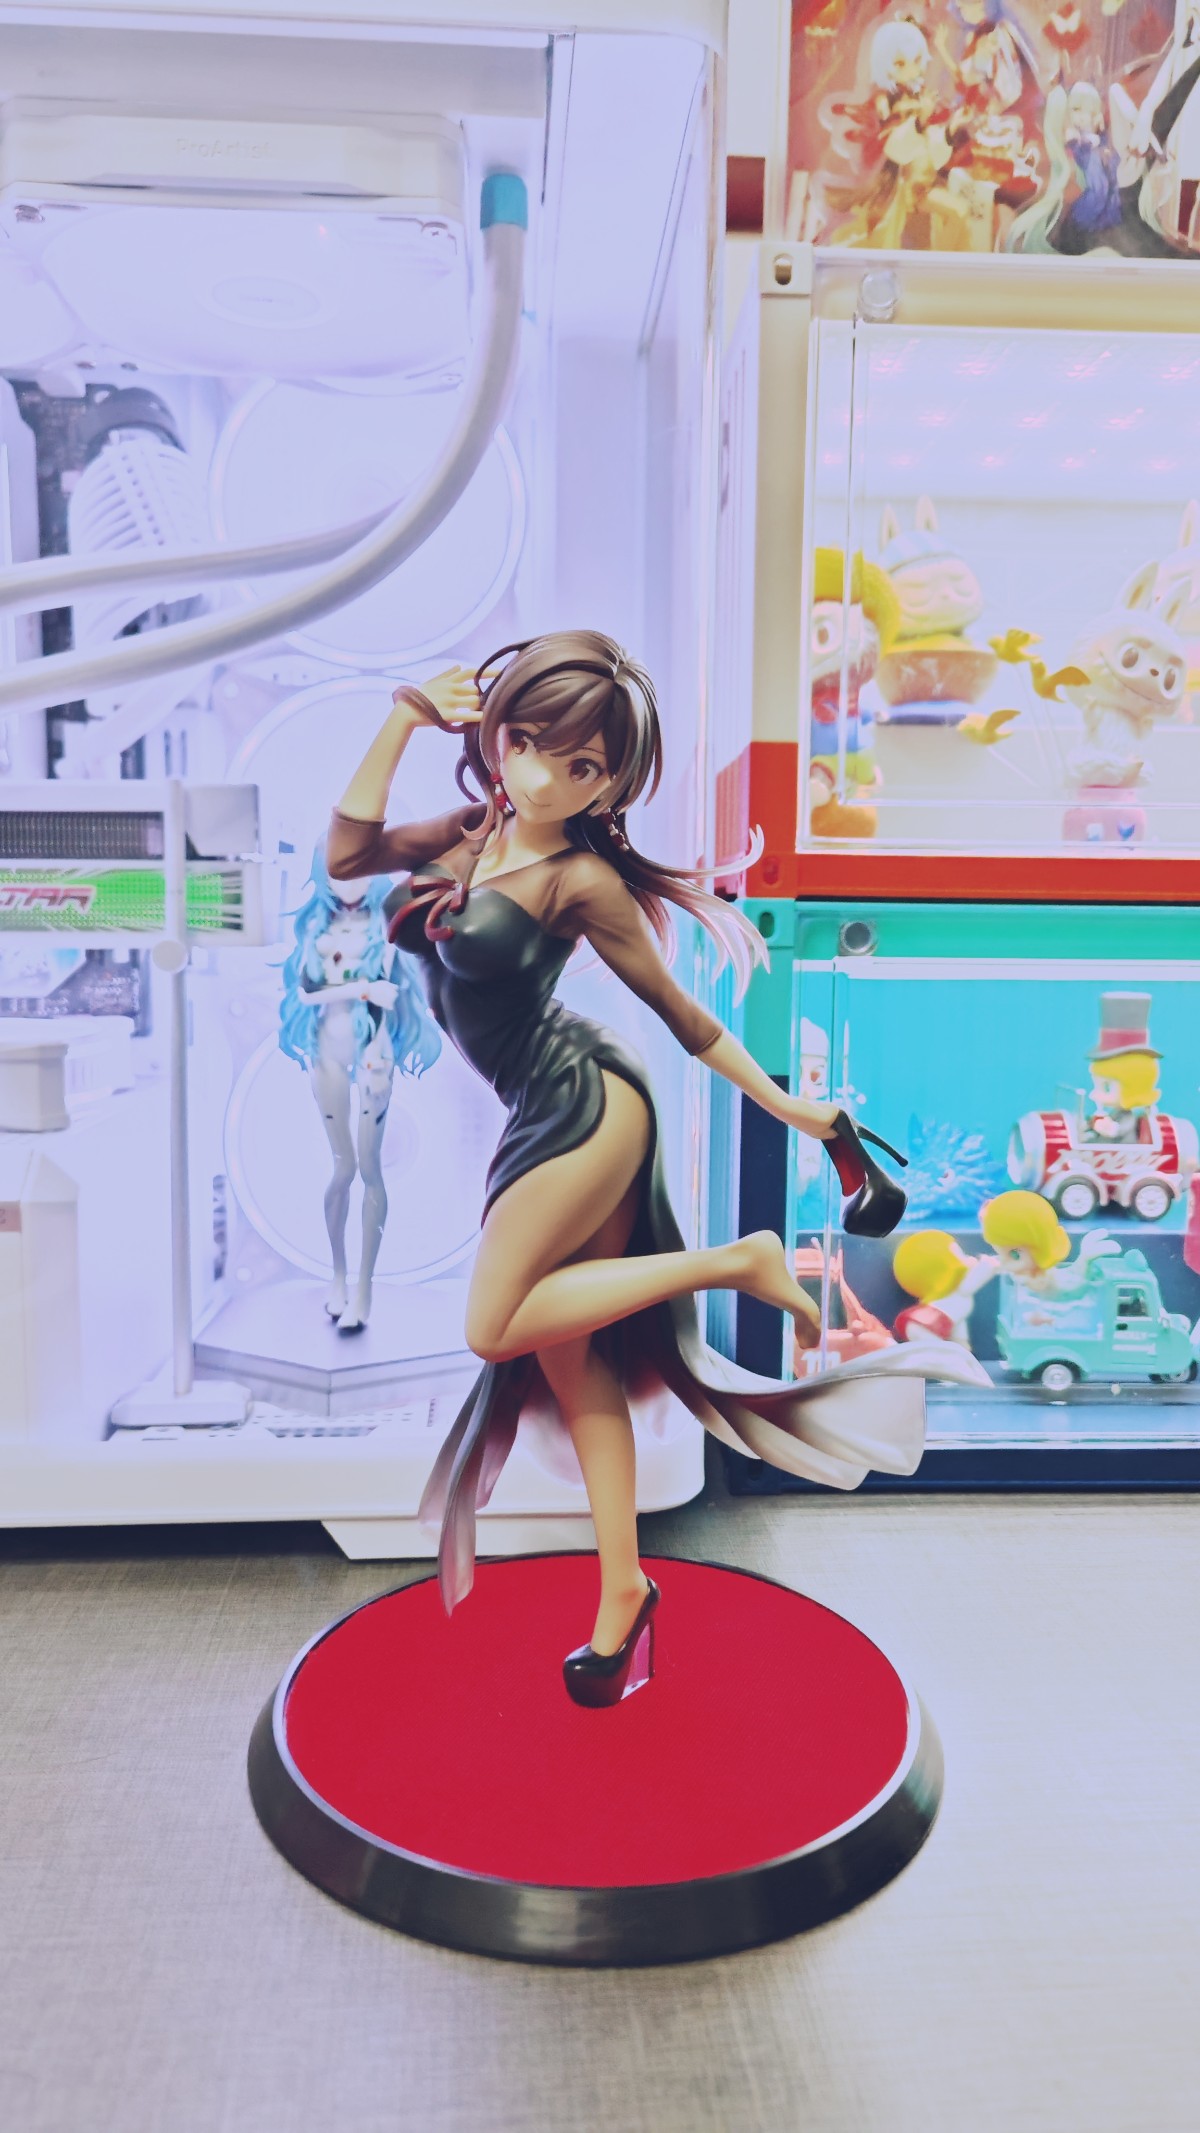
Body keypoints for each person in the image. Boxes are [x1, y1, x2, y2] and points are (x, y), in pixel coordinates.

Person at [328, 633, 982, 1707]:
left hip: (585, 1100)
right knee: (570, 1360)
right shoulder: (476, 829)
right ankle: (624, 1589)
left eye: (580, 766)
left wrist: (788, 1106)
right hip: (539, 1103)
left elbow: (684, 1018)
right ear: (497, 736)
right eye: (526, 744)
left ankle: (737, 1262)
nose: (543, 778)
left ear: (615, 785)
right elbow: (348, 855)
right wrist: (403, 714)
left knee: (495, 1325)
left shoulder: (581, 879)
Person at [278, 845, 440, 1333]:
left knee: (370, 1169)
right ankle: (338, 1277)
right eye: (337, 872)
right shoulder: (313, 926)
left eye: (358, 870)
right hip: (325, 1049)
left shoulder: (385, 926)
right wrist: (361, 990)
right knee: (342, 1167)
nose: (348, 882)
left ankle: (364, 1289)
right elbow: (304, 992)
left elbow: (396, 994)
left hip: (373, 1051)